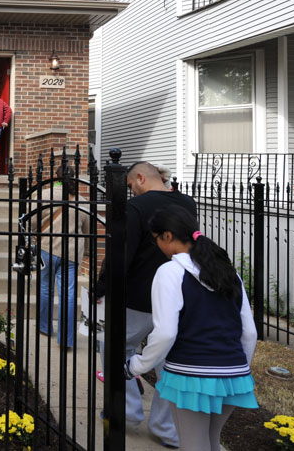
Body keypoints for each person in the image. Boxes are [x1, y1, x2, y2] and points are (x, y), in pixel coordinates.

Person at [125, 206, 258, 451]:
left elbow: (165, 332)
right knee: (211, 443)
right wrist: (236, 369)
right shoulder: (229, 273)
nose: (157, 246)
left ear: (167, 236)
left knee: (194, 446)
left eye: (156, 240)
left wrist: (137, 365)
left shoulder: (170, 272)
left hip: (190, 374)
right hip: (233, 374)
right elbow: (249, 333)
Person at [95, 161, 197, 448]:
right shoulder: (187, 203)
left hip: (137, 296)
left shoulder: (137, 208)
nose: (131, 191)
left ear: (141, 178)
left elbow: (121, 252)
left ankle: (126, 411)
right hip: (177, 296)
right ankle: (166, 427)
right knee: (170, 363)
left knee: (114, 348)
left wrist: (102, 287)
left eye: (130, 186)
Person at [37, 166, 90, 349]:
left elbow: (30, 221)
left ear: (55, 177)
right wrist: (87, 253)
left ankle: (45, 327)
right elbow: (87, 231)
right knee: (68, 295)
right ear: (74, 178)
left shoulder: (44, 195)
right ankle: (66, 339)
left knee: (45, 288)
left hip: (46, 248)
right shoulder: (82, 201)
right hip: (72, 253)